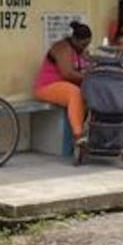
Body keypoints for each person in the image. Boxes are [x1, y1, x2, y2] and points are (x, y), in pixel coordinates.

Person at [33, 21, 92, 150]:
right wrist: (89, 76)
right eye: (83, 44)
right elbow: (68, 73)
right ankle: (78, 135)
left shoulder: (80, 50)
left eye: (87, 44)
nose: (85, 47)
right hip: (47, 86)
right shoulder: (62, 48)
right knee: (74, 93)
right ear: (74, 39)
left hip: (64, 86)